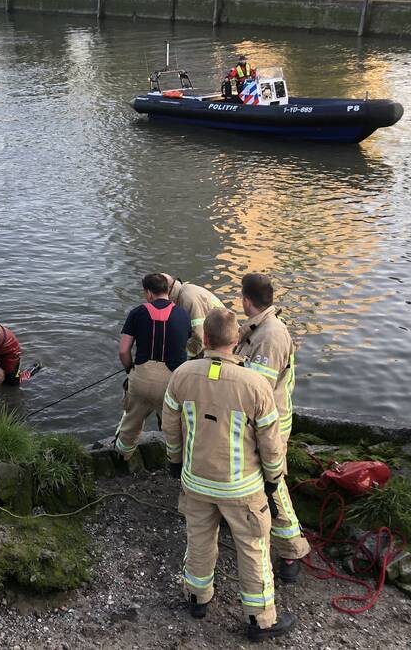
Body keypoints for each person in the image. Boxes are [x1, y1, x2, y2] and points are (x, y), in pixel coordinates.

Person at [162, 309, 297, 642]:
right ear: (236, 341)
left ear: (204, 339)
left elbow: (170, 426)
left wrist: (175, 463)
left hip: (196, 481)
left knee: (199, 539)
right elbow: (270, 441)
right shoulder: (254, 385)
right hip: (242, 488)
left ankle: (197, 599)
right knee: (253, 547)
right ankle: (260, 619)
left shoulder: (181, 375)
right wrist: (273, 478)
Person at [234, 273, 311, 583]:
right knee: (262, 481)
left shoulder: (270, 335)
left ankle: (293, 549)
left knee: (273, 484)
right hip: (260, 421)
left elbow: (259, 391)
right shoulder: (260, 328)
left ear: (246, 300)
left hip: (269, 425)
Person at [114, 273, 191, 460]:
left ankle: (122, 457)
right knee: (174, 427)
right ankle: (175, 462)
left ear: (148, 293)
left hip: (141, 379)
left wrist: (130, 369)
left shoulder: (137, 312)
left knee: (130, 423)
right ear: (168, 290)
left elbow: (123, 351)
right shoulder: (183, 314)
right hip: (171, 383)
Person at [162, 273, 228, 359]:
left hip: (222, 342)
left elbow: (199, 337)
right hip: (219, 337)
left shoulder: (188, 299)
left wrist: (182, 356)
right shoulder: (183, 291)